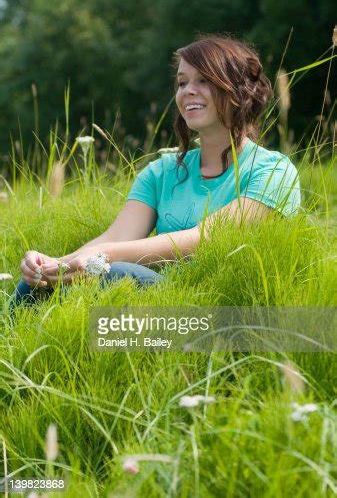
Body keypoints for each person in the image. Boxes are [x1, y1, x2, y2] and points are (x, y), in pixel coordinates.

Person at [13, 33, 301, 307]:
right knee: (36, 284)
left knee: (117, 273)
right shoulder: (161, 172)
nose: (188, 90)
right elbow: (116, 237)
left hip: (216, 304)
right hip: (157, 292)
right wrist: (54, 264)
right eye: (182, 83)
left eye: (203, 80)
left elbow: (204, 239)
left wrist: (99, 258)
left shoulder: (273, 171)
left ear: (238, 90)